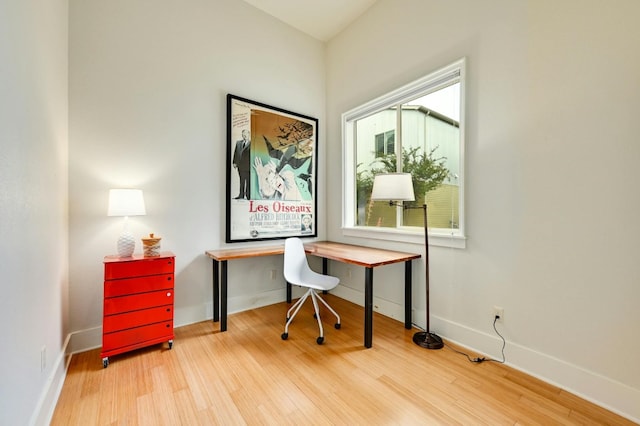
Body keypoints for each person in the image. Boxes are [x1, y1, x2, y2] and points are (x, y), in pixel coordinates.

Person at [232, 129, 251, 199]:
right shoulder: (238, 143)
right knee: (241, 181)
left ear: (249, 134)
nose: (244, 136)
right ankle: (241, 195)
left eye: (246, 134)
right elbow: (235, 153)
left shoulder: (252, 143)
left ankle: (248, 195)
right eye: (243, 134)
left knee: (248, 181)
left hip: (248, 166)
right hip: (240, 166)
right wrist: (234, 162)